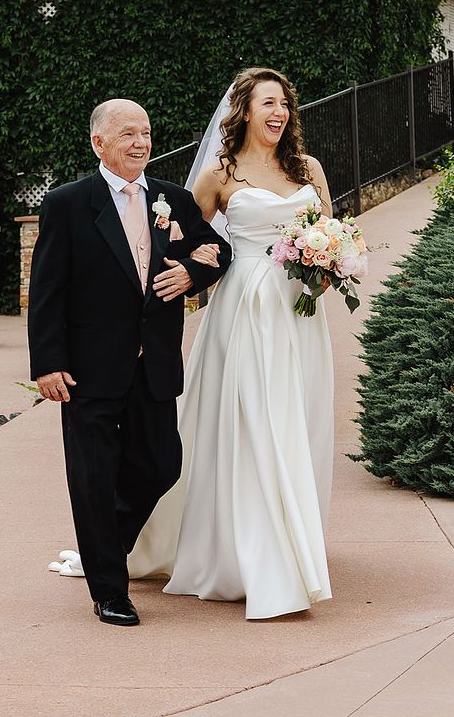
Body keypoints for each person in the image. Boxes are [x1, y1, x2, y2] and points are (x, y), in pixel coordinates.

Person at [28, 98, 231, 626]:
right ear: (99, 143)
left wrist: (192, 272)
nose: (140, 142)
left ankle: (103, 547)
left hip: (154, 364)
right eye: (127, 134)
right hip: (87, 369)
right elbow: (46, 289)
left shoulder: (174, 199)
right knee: (93, 477)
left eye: (145, 132)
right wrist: (47, 364)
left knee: (161, 463)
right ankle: (109, 591)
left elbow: (219, 251)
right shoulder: (68, 203)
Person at [154, 67, 336, 619]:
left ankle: (290, 535)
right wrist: (190, 272)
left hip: (299, 313)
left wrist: (330, 265)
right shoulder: (218, 173)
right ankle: (253, 556)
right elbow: (185, 239)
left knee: (295, 420)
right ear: (244, 111)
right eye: (267, 104)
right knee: (254, 422)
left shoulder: (307, 169)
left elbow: (329, 229)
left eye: (284, 104)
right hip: (244, 311)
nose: (278, 113)